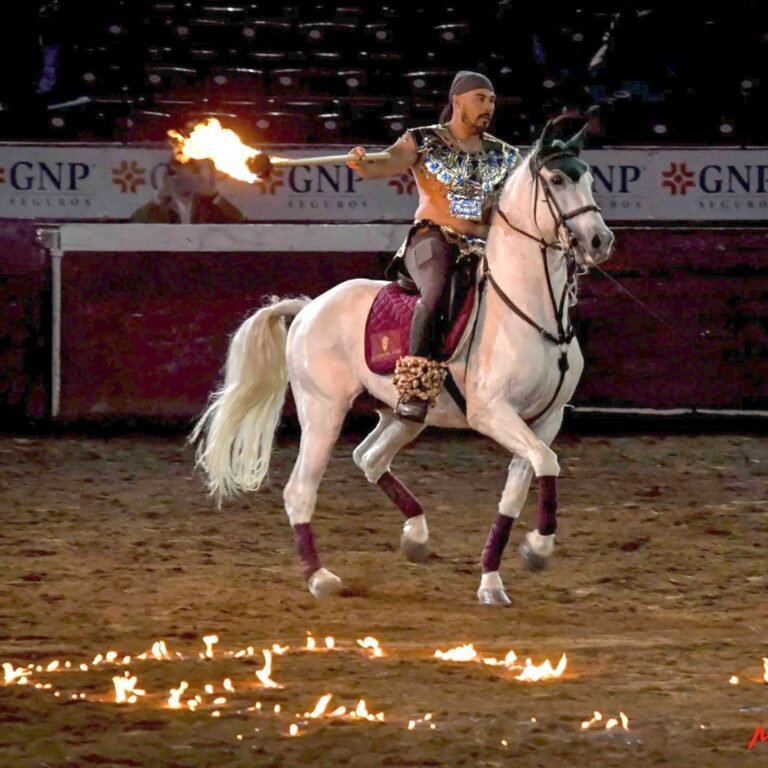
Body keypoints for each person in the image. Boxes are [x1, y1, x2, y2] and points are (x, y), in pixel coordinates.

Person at [347, 70, 519, 422]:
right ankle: (415, 386)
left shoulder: (505, 155)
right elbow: (383, 164)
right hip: (432, 239)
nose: (488, 106)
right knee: (437, 290)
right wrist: (363, 161)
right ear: (457, 101)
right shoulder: (423, 141)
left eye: (492, 101)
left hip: (485, 244)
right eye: (480, 99)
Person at [131, 155, 244, 224]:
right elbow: (136, 221)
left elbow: (238, 219)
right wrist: (160, 198)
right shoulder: (161, 206)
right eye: (178, 171)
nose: (196, 176)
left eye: (195, 172)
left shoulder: (207, 204)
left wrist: (214, 195)